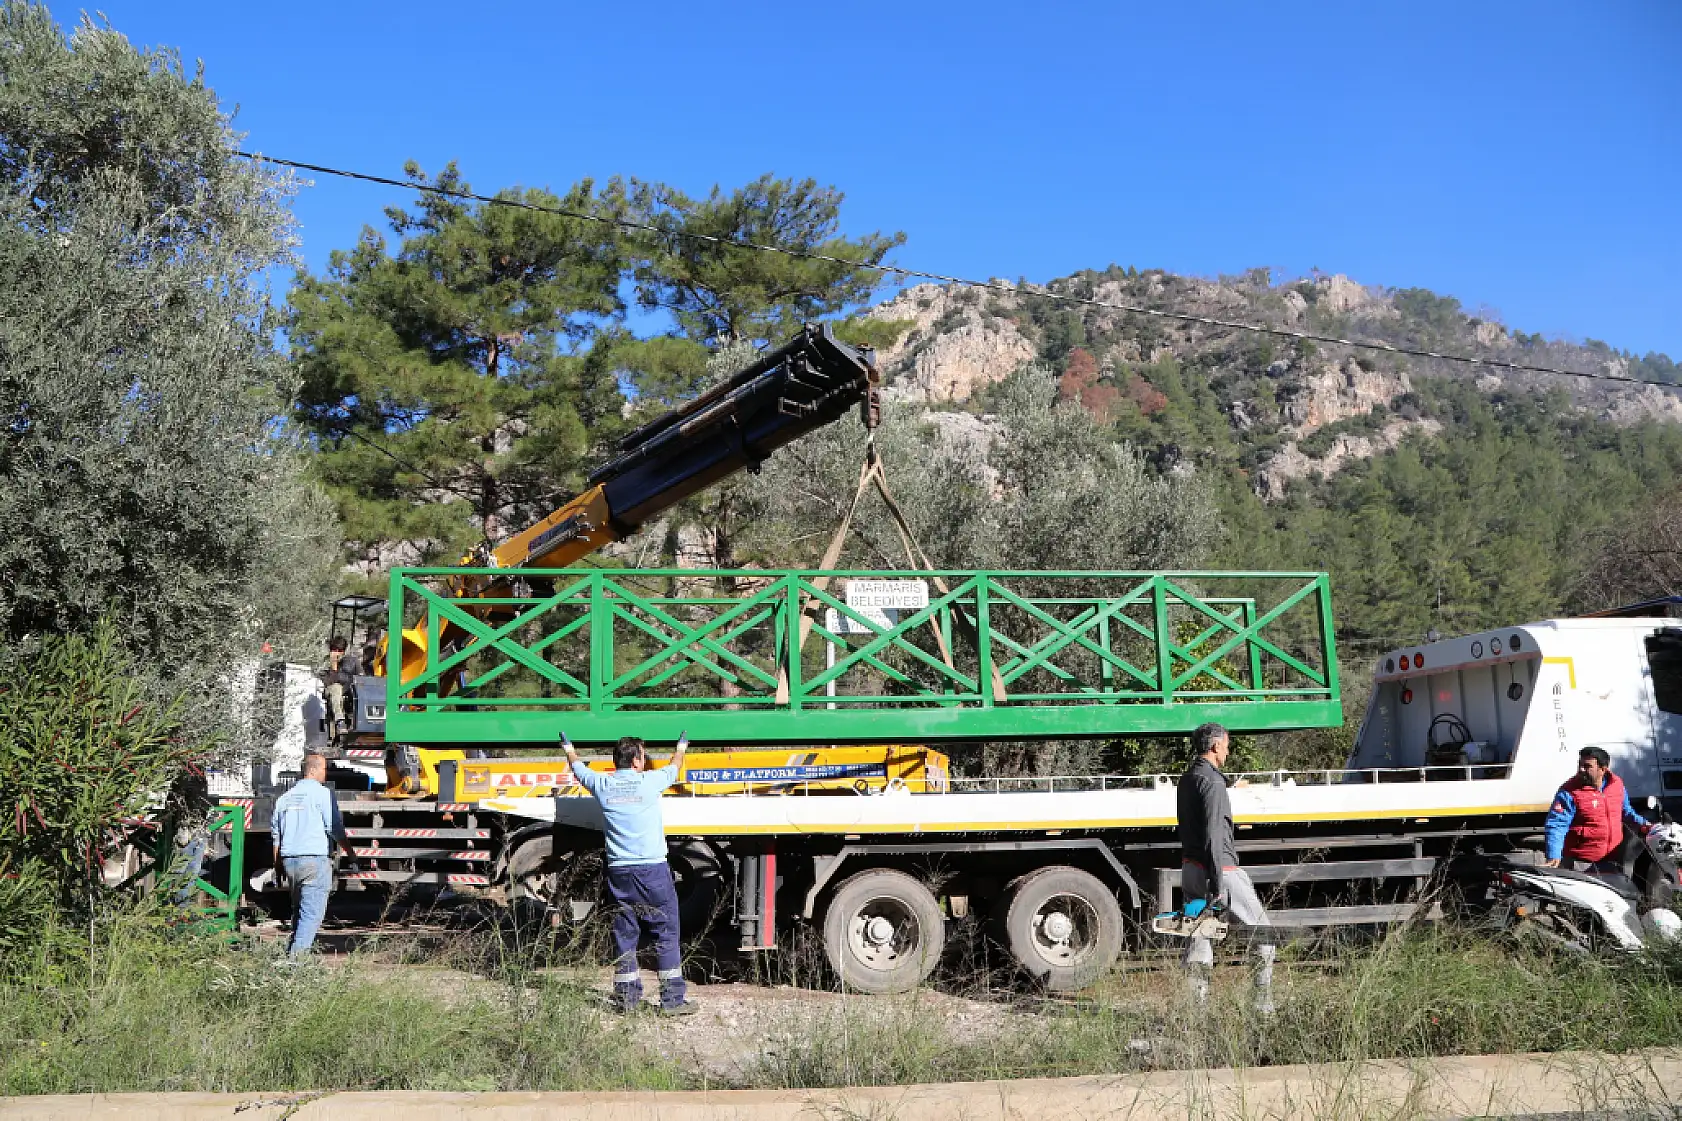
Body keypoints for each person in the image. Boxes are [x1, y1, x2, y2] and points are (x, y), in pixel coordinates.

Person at [560, 731, 696, 1015]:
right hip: (652, 870)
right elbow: (675, 765)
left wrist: (569, 747)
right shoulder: (649, 782)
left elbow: (578, 768)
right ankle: (672, 1001)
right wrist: (681, 744)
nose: (645, 761)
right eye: (643, 756)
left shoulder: (603, 784)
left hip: (620, 872)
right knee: (666, 932)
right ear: (636, 760)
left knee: (624, 933)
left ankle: (626, 1000)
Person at [1177, 722, 1275, 1013]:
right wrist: (1219, 882)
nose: (1229, 751)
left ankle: (1195, 1012)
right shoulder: (1213, 782)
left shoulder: (1188, 779)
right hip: (1221, 871)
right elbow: (1214, 835)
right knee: (1265, 937)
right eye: (1227, 745)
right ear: (1216, 746)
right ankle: (1262, 1008)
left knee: (1199, 939)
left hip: (1191, 869)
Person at [272, 753, 349, 958]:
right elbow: (334, 827)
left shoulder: (284, 799)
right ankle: (295, 964)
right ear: (313, 770)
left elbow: (276, 838)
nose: (326, 773)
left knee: (299, 912)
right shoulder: (323, 794)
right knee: (311, 915)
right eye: (324, 769)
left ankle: (290, 955)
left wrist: (278, 867)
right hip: (313, 861)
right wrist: (350, 852)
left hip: (290, 862)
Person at [1544, 746, 1650, 874]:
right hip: (1581, 864)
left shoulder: (1616, 785)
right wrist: (1554, 854)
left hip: (1613, 860)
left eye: (1587, 766)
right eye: (1580, 765)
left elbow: (1626, 812)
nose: (1581, 770)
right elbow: (1557, 825)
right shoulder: (1569, 791)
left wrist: (1646, 824)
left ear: (1603, 769)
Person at [320, 637, 360, 738]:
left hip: (348, 688)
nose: (337, 653)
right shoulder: (326, 662)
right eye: (334, 649)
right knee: (336, 687)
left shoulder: (353, 661)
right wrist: (334, 667)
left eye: (340, 650)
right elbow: (327, 681)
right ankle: (340, 721)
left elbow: (359, 677)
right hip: (332, 689)